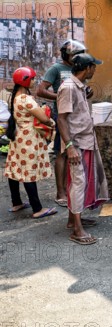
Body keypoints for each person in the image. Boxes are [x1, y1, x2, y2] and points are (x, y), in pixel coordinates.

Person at [57, 53, 109, 245]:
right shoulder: (69, 88)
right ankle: (77, 230)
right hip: (77, 143)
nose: (95, 70)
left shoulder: (78, 87)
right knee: (78, 183)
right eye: (94, 67)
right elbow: (61, 118)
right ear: (87, 68)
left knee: (80, 182)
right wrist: (70, 147)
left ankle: (73, 220)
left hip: (84, 140)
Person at [36, 39, 88, 208]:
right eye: (75, 55)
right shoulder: (56, 69)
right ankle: (60, 193)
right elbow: (41, 90)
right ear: (67, 55)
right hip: (63, 118)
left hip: (77, 119)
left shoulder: (76, 69)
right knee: (62, 153)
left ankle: (72, 189)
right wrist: (60, 95)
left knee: (74, 153)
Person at [4, 66, 57, 219]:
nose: (34, 81)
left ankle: (16, 202)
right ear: (26, 81)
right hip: (29, 139)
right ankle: (37, 208)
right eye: (33, 78)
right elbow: (44, 119)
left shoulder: (14, 97)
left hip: (18, 137)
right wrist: (50, 120)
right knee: (29, 171)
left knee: (15, 167)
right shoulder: (26, 99)